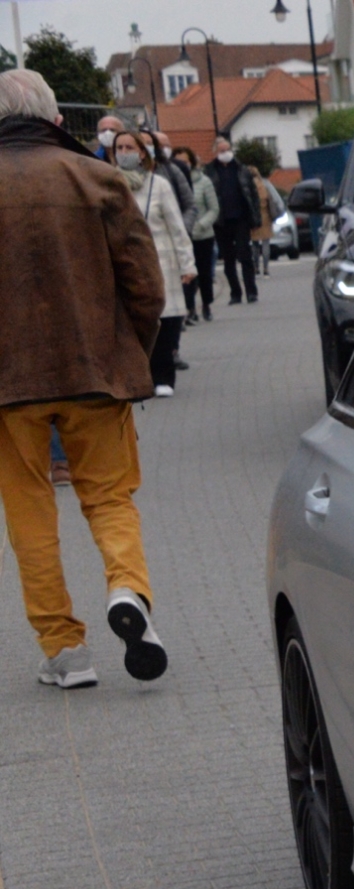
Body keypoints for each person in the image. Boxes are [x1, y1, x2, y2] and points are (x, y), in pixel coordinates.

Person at [0, 69, 173, 689]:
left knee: (29, 512)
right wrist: (134, 355)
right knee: (109, 497)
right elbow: (146, 287)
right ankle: (127, 591)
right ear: (53, 116)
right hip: (95, 371)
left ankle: (64, 650)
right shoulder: (98, 178)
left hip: (8, 385)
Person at [115, 131, 195, 396]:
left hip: (162, 261)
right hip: (126, 265)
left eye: (129, 147)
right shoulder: (110, 183)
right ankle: (142, 376)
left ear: (141, 153)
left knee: (165, 321)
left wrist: (187, 264)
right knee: (135, 323)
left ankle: (164, 376)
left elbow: (177, 227)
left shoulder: (159, 184)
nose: (124, 152)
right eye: (119, 147)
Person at [206, 139, 259, 305]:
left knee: (245, 256)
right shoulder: (209, 171)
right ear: (216, 153)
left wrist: (255, 217)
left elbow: (253, 194)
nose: (225, 153)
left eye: (227, 149)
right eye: (222, 151)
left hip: (241, 218)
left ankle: (251, 291)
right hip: (221, 221)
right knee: (228, 260)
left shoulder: (242, 170)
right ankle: (235, 293)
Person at [174, 145, 218, 322]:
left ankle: (206, 304)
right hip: (183, 235)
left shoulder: (203, 181)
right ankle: (190, 308)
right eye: (178, 161)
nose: (182, 165)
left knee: (204, 274)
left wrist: (200, 224)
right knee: (187, 274)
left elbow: (214, 208)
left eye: (185, 161)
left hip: (202, 235)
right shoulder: (173, 181)